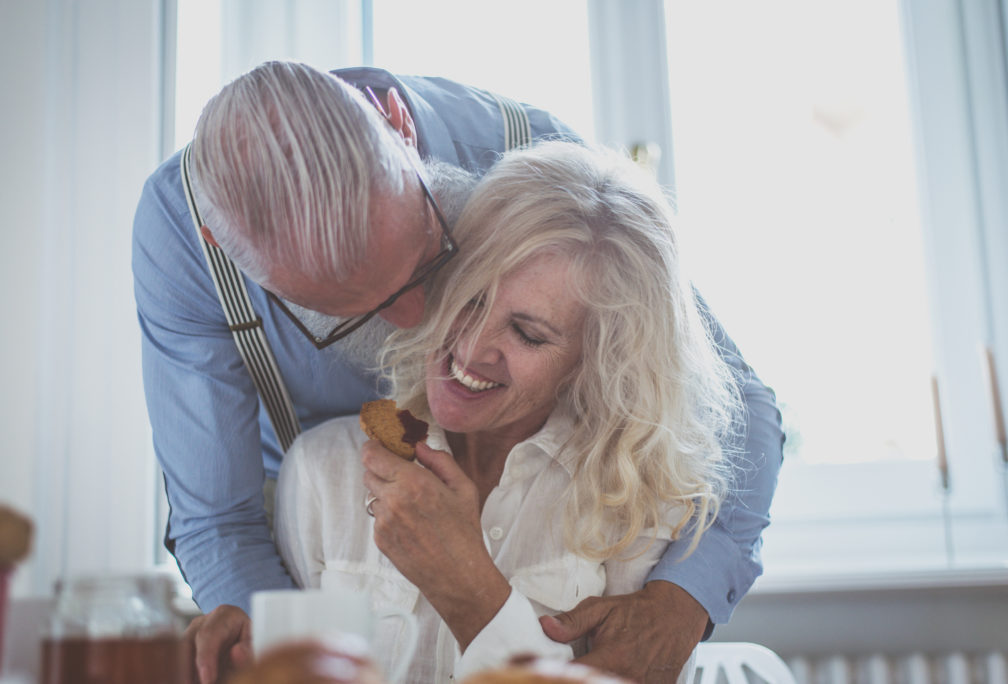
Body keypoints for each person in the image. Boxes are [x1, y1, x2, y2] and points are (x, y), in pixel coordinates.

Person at [131, 61, 783, 684]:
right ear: (222, 242)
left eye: (431, 263)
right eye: (342, 315)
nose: (423, 324)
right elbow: (219, 519)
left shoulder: (541, 166)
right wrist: (267, 650)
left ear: (398, 126)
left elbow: (734, 403)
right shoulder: (315, 473)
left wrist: (681, 599)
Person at [275, 141, 741, 683]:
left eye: (527, 333)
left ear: (595, 363)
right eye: (469, 298)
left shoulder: (639, 501)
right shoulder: (320, 470)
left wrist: (470, 590)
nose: (471, 350)